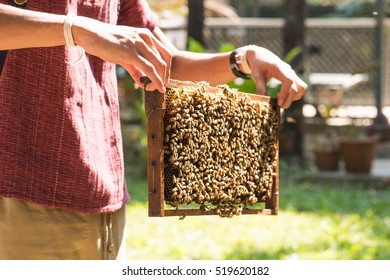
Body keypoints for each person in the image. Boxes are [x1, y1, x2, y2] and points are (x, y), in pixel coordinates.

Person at [0, 0, 307, 260]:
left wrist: (242, 59)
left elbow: (163, 61)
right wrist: (77, 29)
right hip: (18, 191)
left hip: (102, 198)